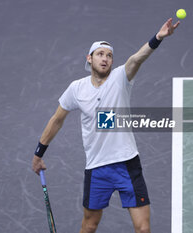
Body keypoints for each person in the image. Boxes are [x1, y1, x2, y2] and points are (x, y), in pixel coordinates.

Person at [32, 18, 180, 233]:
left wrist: (157, 38)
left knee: (143, 229)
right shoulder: (77, 89)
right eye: (100, 54)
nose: (105, 59)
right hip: (97, 167)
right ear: (89, 59)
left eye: (109, 56)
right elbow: (57, 120)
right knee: (90, 225)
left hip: (127, 164)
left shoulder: (121, 78)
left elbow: (137, 59)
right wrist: (39, 153)